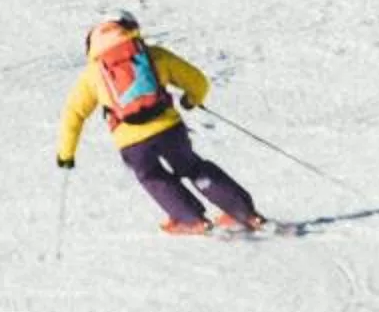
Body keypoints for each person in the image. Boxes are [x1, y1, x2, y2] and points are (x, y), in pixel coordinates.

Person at [56, 14, 266, 236]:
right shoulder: (154, 56)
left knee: (152, 176)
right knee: (193, 167)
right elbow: (197, 80)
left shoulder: (93, 74)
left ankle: (191, 220)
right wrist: (191, 99)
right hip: (169, 129)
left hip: (131, 141)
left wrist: (66, 154)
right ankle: (244, 212)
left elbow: (73, 114)